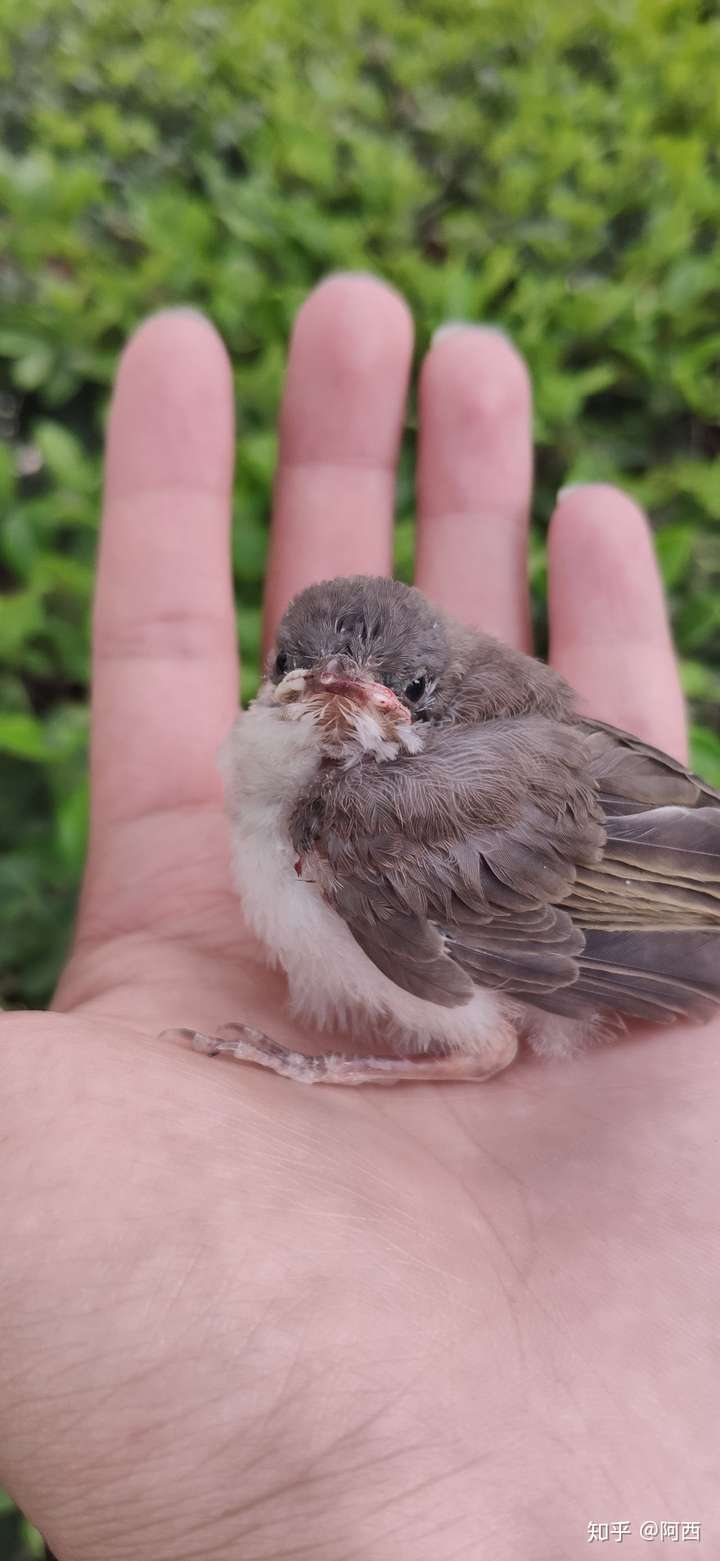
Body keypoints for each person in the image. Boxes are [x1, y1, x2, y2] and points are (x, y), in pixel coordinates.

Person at [1, 276, 715, 1561]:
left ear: (438, 693)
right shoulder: (292, 782)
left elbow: (521, 1005)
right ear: (273, 672)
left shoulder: (364, 825)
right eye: (303, 679)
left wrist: (305, 1070)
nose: (344, 707)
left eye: (400, 695)